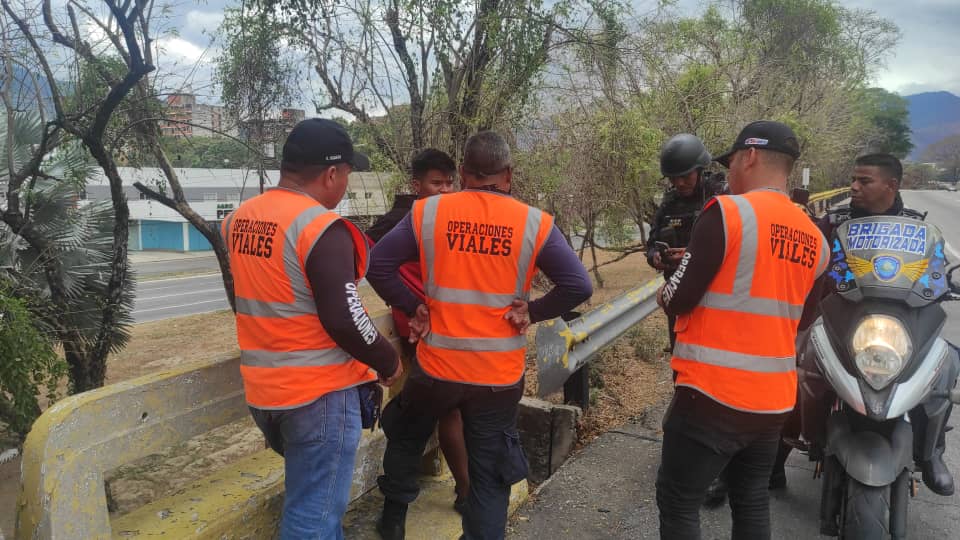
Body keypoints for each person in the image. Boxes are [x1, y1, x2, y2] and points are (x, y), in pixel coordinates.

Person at [368, 131, 593, 540]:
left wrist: (412, 305)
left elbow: (377, 264)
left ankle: (393, 522)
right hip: (497, 378)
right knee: (489, 476)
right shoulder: (534, 223)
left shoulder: (429, 213)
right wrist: (534, 312)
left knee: (407, 435)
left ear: (465, 172)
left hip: (436, 369)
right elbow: (579, 286)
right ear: (507, 175)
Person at [221, 118, 402, 540]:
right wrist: (387, 358)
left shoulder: (240, 220)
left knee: (314, 507)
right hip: (317, 396)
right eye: (348, 174)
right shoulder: (321, 228)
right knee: (313, 520)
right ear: (332, 173)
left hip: (265, 393)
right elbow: (346, 316)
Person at [654, 121, 829, 539]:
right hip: (773, 402)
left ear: (749, 156)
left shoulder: (728, 213)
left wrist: (665, 292)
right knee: (749, 499)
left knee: (678, 500)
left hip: (711, 394)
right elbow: (804, 318)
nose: (728, 172)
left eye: (731, 161)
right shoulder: (815, 236)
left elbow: (678, 297)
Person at [772, 153, 957, 496]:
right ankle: (778, 455)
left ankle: (931, 454)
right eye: (854, 180)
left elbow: (934, 273)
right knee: (804, 373)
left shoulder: (916, 228)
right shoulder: (833, 221)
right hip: (840, 318)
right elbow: (809, 258)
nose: (854, 187)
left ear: (891, 185)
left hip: (898, 324)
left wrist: (942, 284)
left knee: (945, 363)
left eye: (864, 181)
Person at [366, 148, 471, 514]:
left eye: (448, 183)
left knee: (441, 411)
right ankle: (464, 491)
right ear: (417, 185)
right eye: (435, 183)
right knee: (448, 412)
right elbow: (368, 261)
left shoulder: (447, 217)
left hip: (445, 329)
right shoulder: (405, 218)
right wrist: (411, 304)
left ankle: (445, 492)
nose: (444, 190)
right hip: (420, 330)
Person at [647, 133, 728, 350]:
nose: (679, 183)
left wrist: (693, 254)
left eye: (685, 176)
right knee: (682, 361)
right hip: (678, 298)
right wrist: (655, 256)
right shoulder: (668, 205)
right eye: (673, 178)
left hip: (716, 299)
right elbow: (652, 243)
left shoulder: (722, 198)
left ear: (700, 169)